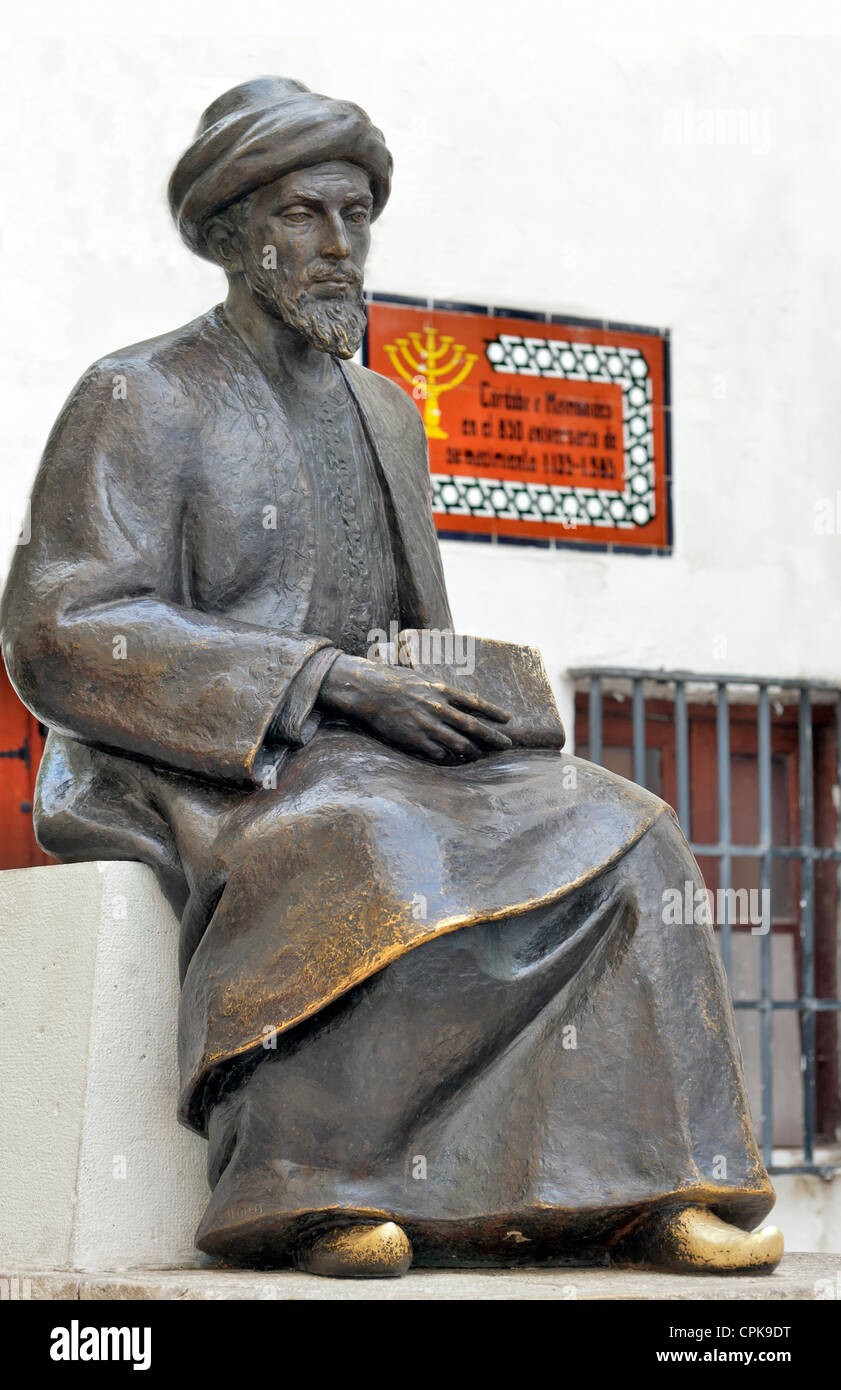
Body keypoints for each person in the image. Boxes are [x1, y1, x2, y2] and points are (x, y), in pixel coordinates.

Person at [0, 77, 782, 1278]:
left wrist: (472, 703)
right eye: (305, 213)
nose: (338, 244)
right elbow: (61, 626)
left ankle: (639, 1180)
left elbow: (418, 634)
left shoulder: (387, 411)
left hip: (373, 747)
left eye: (355, 214)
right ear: (228, 234)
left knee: (627, 830)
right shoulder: (137, 396)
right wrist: (321, 683)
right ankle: (304, 1186)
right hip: (209, 759)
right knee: (372, 840)